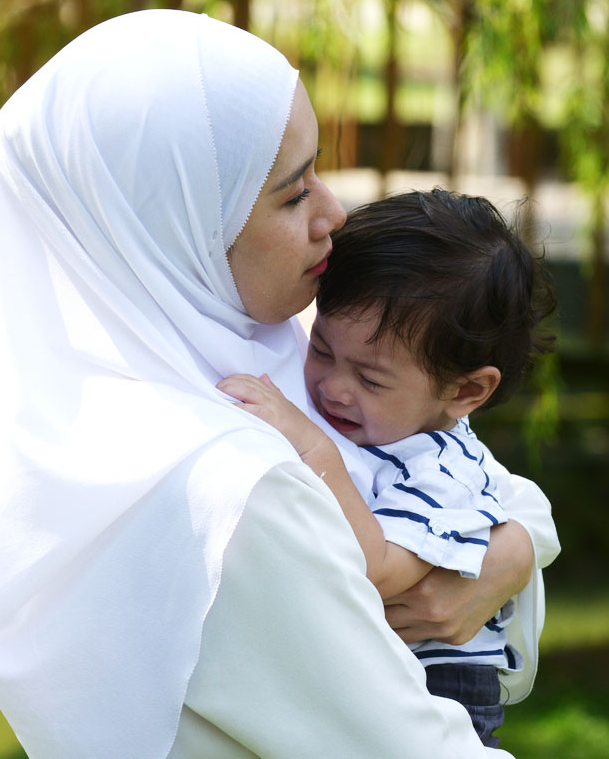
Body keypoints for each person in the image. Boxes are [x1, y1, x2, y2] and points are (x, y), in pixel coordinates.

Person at [0, 9, 559, 758]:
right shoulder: (243, 483)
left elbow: (482, 481)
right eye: (291, 193)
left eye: (318, 171)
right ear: (176, 227)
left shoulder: (242, 368)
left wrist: (515, 546)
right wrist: (506, 553)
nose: (334, 213)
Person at [217, 189, 556, 747]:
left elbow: (376, 568)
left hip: (443, 689)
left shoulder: (438, 472)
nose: (333, 387)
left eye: (370, 380)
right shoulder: (396, 424)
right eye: (322, 348)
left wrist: (312, 447)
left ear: (467, 390)